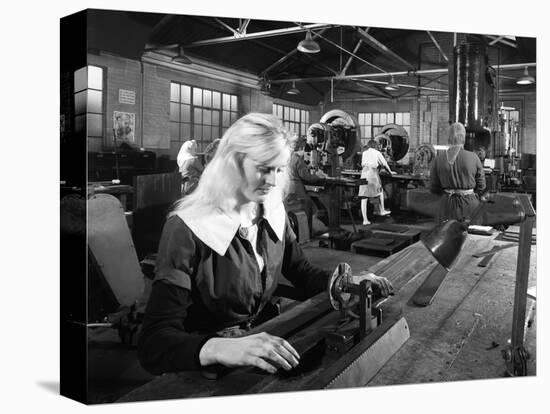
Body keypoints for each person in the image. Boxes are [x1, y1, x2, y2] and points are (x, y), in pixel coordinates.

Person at [138, 113, 393, 375]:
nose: (272, 181)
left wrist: (345, 285)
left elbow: (300, 271)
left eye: (279, 169)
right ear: (233, 164)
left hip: (261, 340)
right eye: (263, 168)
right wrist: (221, 348)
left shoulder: (270, 209)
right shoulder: (188, 228)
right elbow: (155, 343)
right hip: (203, 360)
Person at [430, 122, 486, 223]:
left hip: (446, 206)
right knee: (472, 237)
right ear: (464, 138)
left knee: (444, 235)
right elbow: (481, 186)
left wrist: (447, 193)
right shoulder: (474, 157)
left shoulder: (438, 160)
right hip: (470, 207)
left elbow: (433, 188)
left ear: (449, 138)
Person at [287, 138, 327, 233]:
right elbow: (306, 177)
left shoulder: (285, 158)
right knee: (309, 206)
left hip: (287, 188)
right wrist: (318, 176)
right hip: (297, 189)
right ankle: (307, 231)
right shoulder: (297, 159)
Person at [358, 139, 396, 225]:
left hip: (363, 174)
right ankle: (381, 210)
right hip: (372, 174)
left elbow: (362, 164)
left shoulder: (364, 153)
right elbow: (385, 164)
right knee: (380, 192)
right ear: (375, 146)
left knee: (363, 197)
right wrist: (390, 172)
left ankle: (365, 220)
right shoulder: (377, 153)